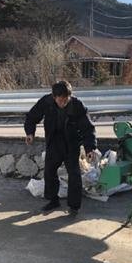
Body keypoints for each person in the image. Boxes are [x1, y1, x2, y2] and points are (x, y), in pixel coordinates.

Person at [24, 80, 97, 216]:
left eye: (66, 100)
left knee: (74, 174)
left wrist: (90, 148)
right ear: (54, 97)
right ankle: (53, 200)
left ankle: (74, 206)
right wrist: (30, 133)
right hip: (54, 142)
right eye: (60, 100)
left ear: (70, 96)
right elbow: (31, 117)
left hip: (71, 144)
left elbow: (88, 128)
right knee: (49, 172)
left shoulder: (77, 105)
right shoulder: (46, 102)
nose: (63, 103)